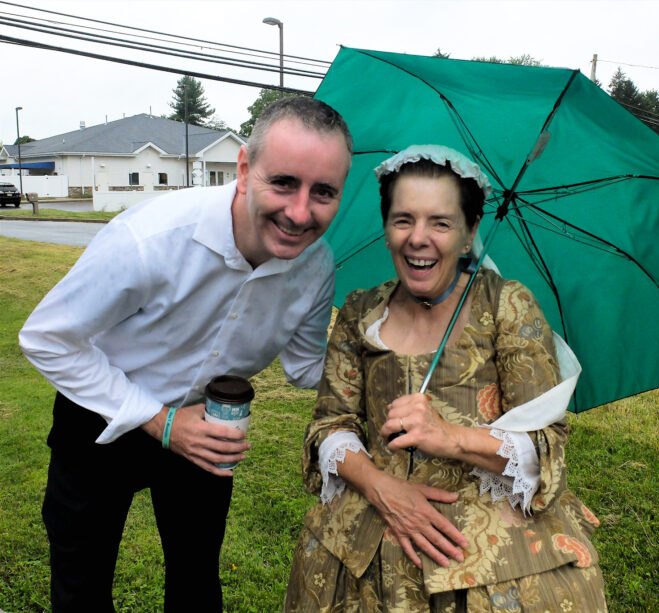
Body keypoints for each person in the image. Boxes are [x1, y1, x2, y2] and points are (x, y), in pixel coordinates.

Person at [18, 96, 353, 613]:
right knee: (80, 581)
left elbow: (307, 366)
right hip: (101, 416)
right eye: (283, 182)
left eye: (324, 192)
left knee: (197, 581)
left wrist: (392, 351)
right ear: (244, 168)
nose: (300, 212)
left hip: (208, 425)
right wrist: (158, 421)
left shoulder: (316, 266)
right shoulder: (151, 239)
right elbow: (46, 337)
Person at [284, 145, 606, 612]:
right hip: (364, 543)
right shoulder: (360, 311)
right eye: (403, 220)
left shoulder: (507, 306)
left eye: (441, 222)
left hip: (487, 562)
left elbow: (545, 443)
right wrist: (383, 487)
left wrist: (450, 437)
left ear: (470, 231)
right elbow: (329, 425)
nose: (419, 238)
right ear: (386, 227)